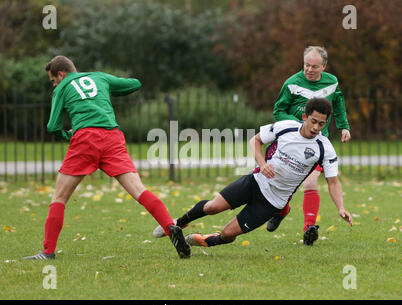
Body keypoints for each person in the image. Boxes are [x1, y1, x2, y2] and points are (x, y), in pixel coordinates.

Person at [24, 55, 190, 260]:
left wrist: (67, 135)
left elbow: (52, 126)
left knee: (59, 197)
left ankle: (47, 252)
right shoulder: (99, 77)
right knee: (139, 191)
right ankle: (169, 226)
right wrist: (110, 88)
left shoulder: (62, 86)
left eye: (53, 81)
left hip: (85, 139)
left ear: (61, 74)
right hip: (112, 137)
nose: (54, 84)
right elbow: (134, 84)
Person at [153, 98, 353, 248]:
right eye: (313, 121)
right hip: (256, 181)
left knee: (228, 234)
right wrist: (262, 163)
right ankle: (178, 223)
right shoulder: (285, 127)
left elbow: (333, 182)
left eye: (322, 124)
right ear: (304, 117)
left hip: (273, 202)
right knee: (213, 207)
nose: (316, 127)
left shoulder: (324, 148)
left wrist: (341, 208)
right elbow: (255, 140)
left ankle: (206, 240)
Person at [271, 46, 351, 244]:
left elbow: (338, 103)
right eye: (306, 65)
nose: (309, 69)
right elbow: (278, 111)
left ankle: (309, 229)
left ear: (323, 67)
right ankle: (282, 211)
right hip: (290, 144)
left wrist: (344, 127)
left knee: (311, 182)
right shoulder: (291, 84)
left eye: (314, 66)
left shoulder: (332, 82)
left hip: (315, 144)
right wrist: (300, 126)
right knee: (283, 186)